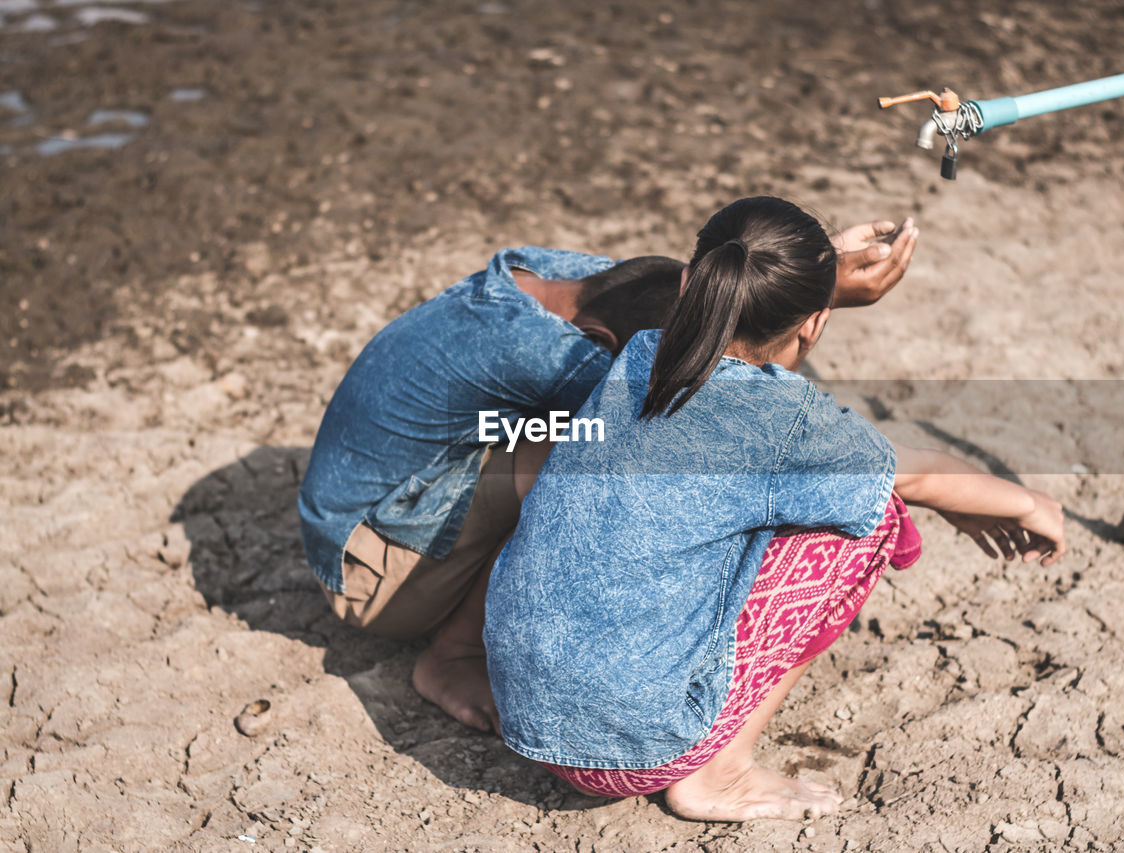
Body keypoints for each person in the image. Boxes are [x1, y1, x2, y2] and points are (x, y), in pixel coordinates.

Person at [483, 197, 1064, 822]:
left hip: (521, 709)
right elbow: (915, 472)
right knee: (871, 521)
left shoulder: (640, 356)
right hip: (626, 751)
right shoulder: (788, 425)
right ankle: (721, 775)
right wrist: (1029, 502)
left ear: (689, 282)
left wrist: (817, 259)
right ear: (816, 322)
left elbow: (741, 280)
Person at [297, 229, 918, 733]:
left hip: (389, 497)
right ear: (601, 342)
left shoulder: (565, 279)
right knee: (576, 451)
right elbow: (724, 428)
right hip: (364, 570)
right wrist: (809, 319)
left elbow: (719, 286)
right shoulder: (557, 353)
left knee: (589, 441)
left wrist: (809, 269)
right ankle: (451, 658)